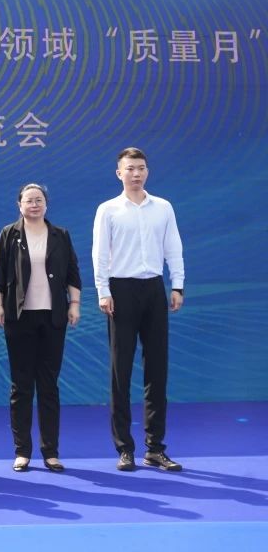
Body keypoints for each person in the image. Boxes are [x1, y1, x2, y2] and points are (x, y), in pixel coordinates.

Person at [92, 147, 185, 472]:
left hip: (154, 289)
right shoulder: (108, 210)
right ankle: (124, 448)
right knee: (121, 371)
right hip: (121, 291)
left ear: (147, 171)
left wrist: (177, 285)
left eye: (141, 168)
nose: (136, 173)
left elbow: (173, 247)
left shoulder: (163, 207)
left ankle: (155, 448)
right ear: (119, 173)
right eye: (130, 168)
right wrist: (103, 291)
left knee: (157, 369)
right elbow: (99, 253)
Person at [0, 183, 81, 473]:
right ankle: (22, 451)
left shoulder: (60, 235)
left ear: (46, 204)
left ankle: (50, 452)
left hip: (53, 317)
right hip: (19, 318)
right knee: (21, 385)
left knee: (49, 385)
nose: (34, 204)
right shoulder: (9, 234)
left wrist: (74, 305)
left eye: (39, 200)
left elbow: (73, 273)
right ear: (19, 205)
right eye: (28, 200)